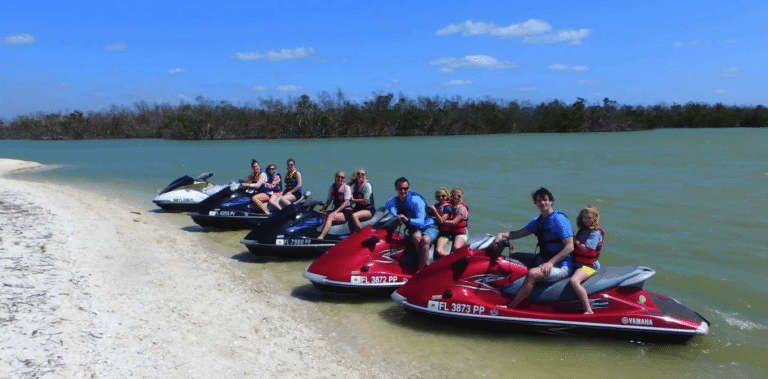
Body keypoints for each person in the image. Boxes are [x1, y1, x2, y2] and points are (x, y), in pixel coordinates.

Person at [493, 187, 574, 309]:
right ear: (536, 204)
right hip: (543, 259)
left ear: (551, 201)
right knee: (514, 256)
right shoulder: (538, 221)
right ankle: (504, 290)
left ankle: (512, 306)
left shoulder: (559, 220)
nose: (542, 203)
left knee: (532, 274)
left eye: (545, 200)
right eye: (538, 201)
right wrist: (501, 235)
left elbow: (570, 246)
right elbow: (518, 233)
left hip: (562, 265)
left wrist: (551, 263)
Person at [384, 177, 439, 271]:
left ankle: (421, 269)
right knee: (416, 237)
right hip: (416, 228)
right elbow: (388, 205)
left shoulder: (416, 200)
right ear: (396, 189)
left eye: (405, 188)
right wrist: (396, 215)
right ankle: (424, 262)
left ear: (408, 188)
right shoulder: (395, 200)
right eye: (400, 188)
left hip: (429, 226)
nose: (402, 191)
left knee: (425, 240)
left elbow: (421, 221)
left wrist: (407, 220)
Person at [569, 205, 604, 314]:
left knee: (574, 281)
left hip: (589, 266)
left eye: (589, 218)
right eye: (584, 218)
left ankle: (588, 310)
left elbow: (586, 249)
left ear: (595, 218)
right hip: (579, 263)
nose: (586, 220)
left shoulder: (595, 233)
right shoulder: (583, 231)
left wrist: (574, 240)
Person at [432, 187, 469, 258]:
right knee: (439, 251)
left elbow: (454, 222)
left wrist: (440, 221)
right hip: (448, 232)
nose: (456, 197)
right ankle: (452, 258)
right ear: (450, 196)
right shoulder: (447, 206)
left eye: (459, 196)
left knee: (456, 248)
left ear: (462, 197)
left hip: (461, 233)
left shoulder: (462, 209)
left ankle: (464, 257)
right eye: (453, 195)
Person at [317, 171, 353, 240]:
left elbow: (345, 203)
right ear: (335, 177)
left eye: (341, 177)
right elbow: (329, 201)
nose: (339, 178)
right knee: (321, 215)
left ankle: (321, 237)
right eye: (338, 177)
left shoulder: (346, 187)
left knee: (330, 216)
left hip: (346, 212)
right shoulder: (332, 187)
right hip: (337, 210)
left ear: (344, 178)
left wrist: (335, 212)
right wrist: (323, 209)